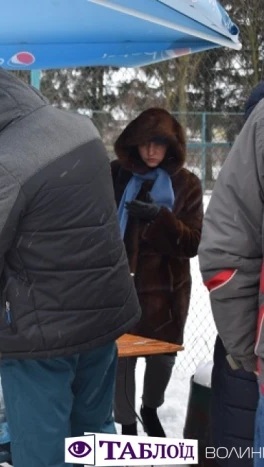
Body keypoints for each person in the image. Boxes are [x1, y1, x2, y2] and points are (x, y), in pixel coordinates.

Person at [0, 60, 141, 467]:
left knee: (42, 454)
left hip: (41, 336)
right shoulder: (80, 127)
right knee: (95, 441)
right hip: (103, 318)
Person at [110, 108, 203, 437]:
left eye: (159, 143)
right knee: (120, 362)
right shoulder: (116, 176)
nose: (151, 151)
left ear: (171, 147)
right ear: (133, 143)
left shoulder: (187, 184)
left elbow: (192, 242)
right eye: (145, 143)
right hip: (119, 290)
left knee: (161, 362)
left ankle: (150, 408)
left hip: (165, 294)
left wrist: (159, 218)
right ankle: (126, 423)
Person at [199, 81, 264, 467]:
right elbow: (224, 247)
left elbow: (208, 242)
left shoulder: (184, 183)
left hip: (245, 337)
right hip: (244, 334)